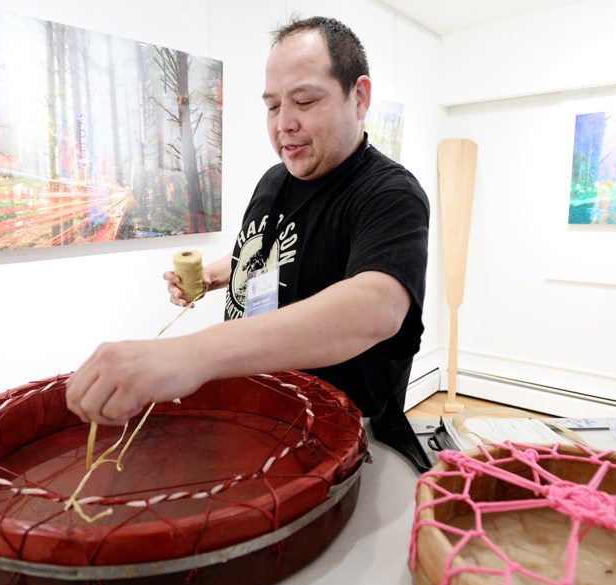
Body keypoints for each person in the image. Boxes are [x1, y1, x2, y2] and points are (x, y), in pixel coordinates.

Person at [66, 15, 432, 471]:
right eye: (273, 106)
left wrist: (191, 354)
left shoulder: (389, 193)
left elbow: (375, 307)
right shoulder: (275, 179)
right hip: (257, 418)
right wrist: (214, 277)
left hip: (342, 439)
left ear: (359, 97)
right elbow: (264, 254)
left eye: (304, 100)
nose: (285, 124)